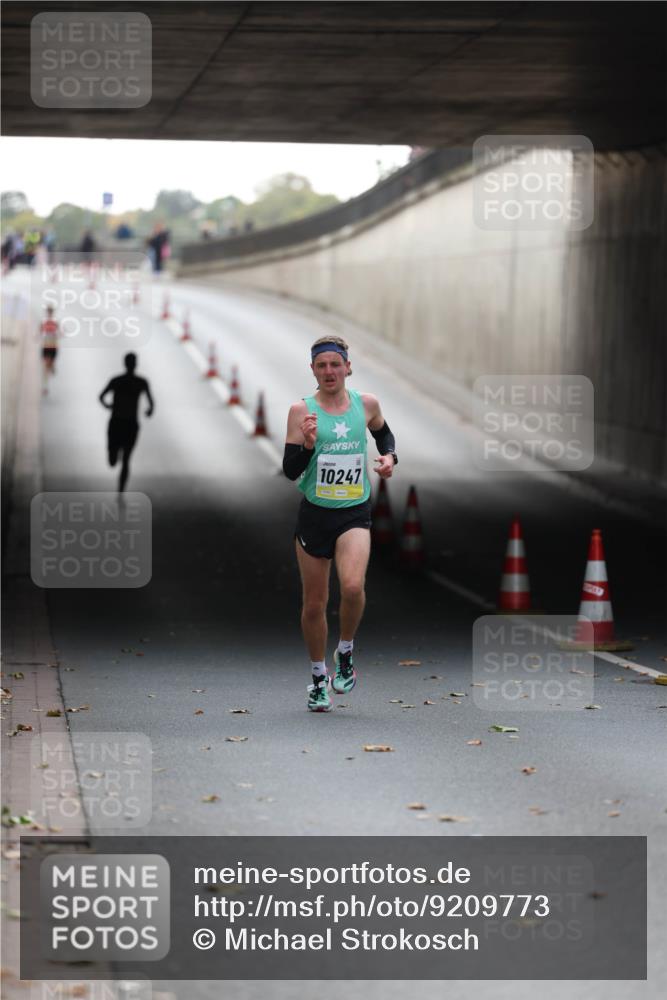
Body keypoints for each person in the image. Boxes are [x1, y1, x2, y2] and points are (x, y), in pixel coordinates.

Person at [283, 335, 398, 712]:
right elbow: (290, 471)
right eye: (322, 365)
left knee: (352, 585)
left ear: (348, 367)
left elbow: (383, 434)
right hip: (316, 514)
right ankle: (318, 679)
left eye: (336, 364)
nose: (329, 371)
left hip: (354, 511)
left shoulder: (366, 405)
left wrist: (389, 457)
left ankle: (345, 652)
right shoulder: (302, 412)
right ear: (313, 370)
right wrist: (308, 445)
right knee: (314, 604)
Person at [99, 353, 154, 493]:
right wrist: (149, 411)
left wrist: (107, 405)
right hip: (124, 424)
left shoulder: (125, 381)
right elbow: (151, 404)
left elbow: (101, 397)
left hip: (123, 423)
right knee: (120, 460)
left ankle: (121, 490)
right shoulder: (135, 382)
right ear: (135, 364)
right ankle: (115, 455)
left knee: (125, 459)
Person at [39, 305, 59, 395]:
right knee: (45, 367)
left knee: (49, 365)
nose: (49, 313)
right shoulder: (43, 321)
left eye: (50, 311)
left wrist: (56, 334)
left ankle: (52, 365)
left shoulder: (56, 321)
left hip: (53, 346)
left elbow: (60, 332)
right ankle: (45, 387)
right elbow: (39, 332)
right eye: (48, 311)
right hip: (46, 346)